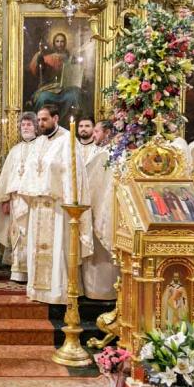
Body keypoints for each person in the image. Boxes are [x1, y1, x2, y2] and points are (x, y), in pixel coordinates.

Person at [21, 106, 92, 305]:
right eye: (39, 120)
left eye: (44, 119)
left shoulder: (68, 140)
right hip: (38, 206)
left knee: (59, 250)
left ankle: (58, 292)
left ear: (56, 118)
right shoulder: (39, 142)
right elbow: (30, 171)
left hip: (58, 207)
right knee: (37, 249)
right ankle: (37, 291)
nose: (40, 124)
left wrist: (70, 203)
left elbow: (73, 175)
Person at [0, 112, 38, 282]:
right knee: (17, 234)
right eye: (23, 125)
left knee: (33, 233)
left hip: (34, 200)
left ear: (36, 127)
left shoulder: (42, 147)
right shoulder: (15, 150)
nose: (25, 128)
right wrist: (5, 199)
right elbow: (6, 177)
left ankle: (33, 270)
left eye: (29, 124)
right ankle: (18, 271)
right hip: (16, 200)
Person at [82, 120, 118, 301]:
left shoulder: (107, 154)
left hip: (101, 207)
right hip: (101, 207)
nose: (93, 134)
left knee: (102, 255)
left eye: (96, 131)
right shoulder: (103, 151)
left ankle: (100, 292)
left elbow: (93, 182)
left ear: (108, 133)